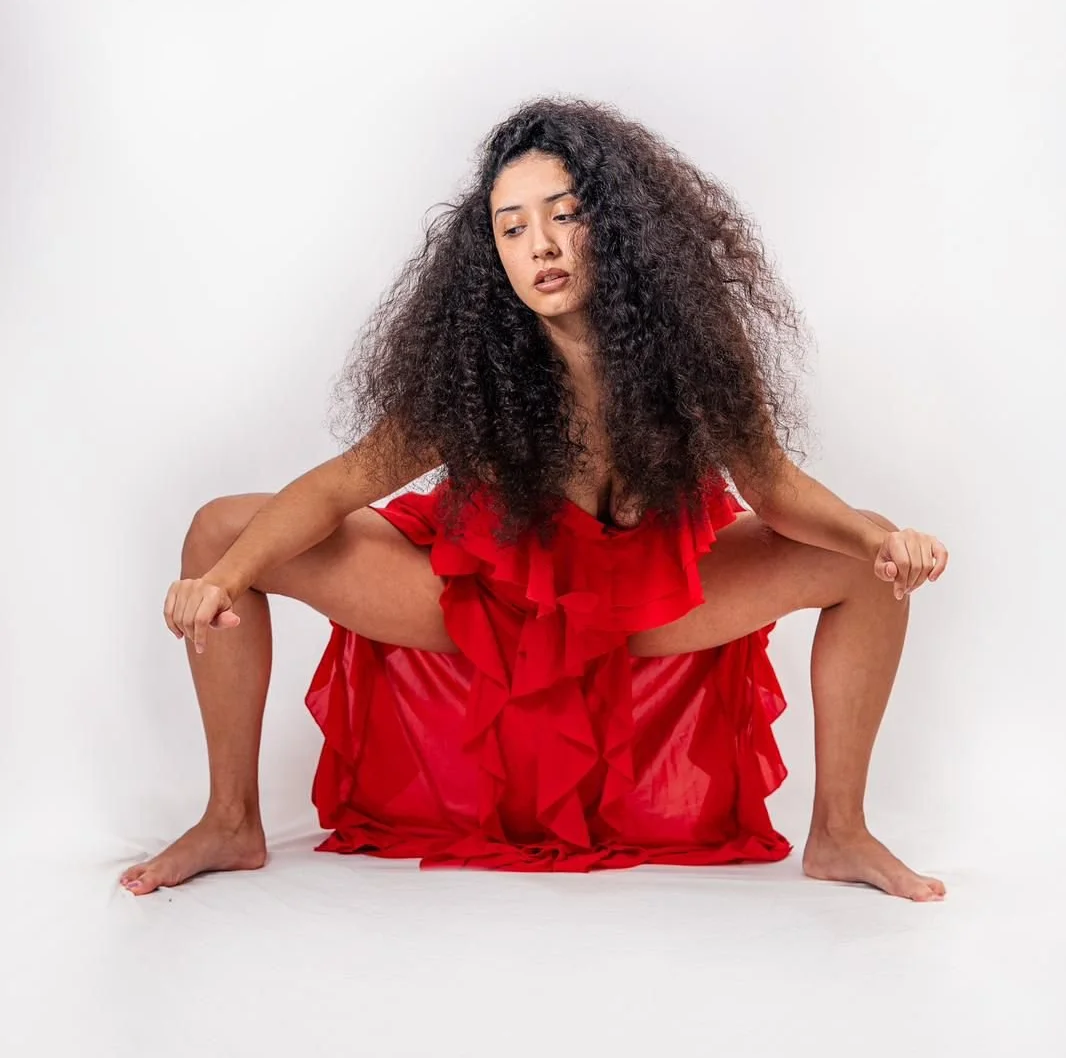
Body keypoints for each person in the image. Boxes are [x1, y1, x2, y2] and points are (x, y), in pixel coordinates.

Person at [120, 97, 949, 901]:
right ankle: (229, 818)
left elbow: (775, 491)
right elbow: (342, 483)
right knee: (220, 530)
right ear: (492, 254)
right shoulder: (475, 360)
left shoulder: (692, 345)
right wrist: (222, 584)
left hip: (640, 603)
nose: (540, 245)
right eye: (512, 228)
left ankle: (841, 831)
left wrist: (876, 539)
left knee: (868, 554)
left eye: (564, 214)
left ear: (621, 226)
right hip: (487, 602)